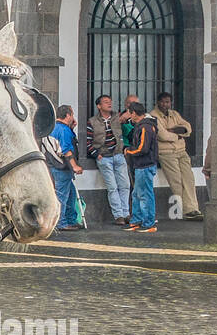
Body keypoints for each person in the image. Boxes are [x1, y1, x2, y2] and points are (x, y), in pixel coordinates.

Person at [153, 90, 202, 220]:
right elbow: (162, 135)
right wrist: (179, 134)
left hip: (181, 151)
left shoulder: (174, 114)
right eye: (162, 101)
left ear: (171, 103)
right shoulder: (154, 116)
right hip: (166, 153)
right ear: (158, 102)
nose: (165, 104)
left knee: (189, 179)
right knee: (177, 181)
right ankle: (186, 211)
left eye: (167, 102)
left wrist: (174, 131)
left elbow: (188, 128)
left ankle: (193, 208)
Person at [86, 93, 130, 225]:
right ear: (99, 106)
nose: (109, 103)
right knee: (112, 187)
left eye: (110, 101)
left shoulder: (117, 117)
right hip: (104, 157)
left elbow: (129, 119)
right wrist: (96, 154)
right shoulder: (92, 122)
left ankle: (126, 213)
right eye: (105, 102)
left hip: (118, 154)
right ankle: (118, 216)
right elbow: (88, 142)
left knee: (125, 185)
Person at [46, 105, 84, 233]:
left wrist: (71, 128)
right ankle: (61, 222)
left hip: (53, 166)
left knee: (71, 194)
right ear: (68, 115)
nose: (73, 117)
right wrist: (74, 166)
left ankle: (70, 220)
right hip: (62, 168)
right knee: (62, 196)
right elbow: (66, 150)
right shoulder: (63, 130)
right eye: (72, 114)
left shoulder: (52, 128)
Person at [124, 100, 160, 232]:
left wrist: (129, 151)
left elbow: (142, 148)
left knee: (145, 194)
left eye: (130, 113)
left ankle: (148, 222)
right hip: (140, 165)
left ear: (134, 113)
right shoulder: (141, 126)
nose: (129, 116)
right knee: (137, 193)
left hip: (145, 165)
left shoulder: (145, 127)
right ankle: (137, 220)